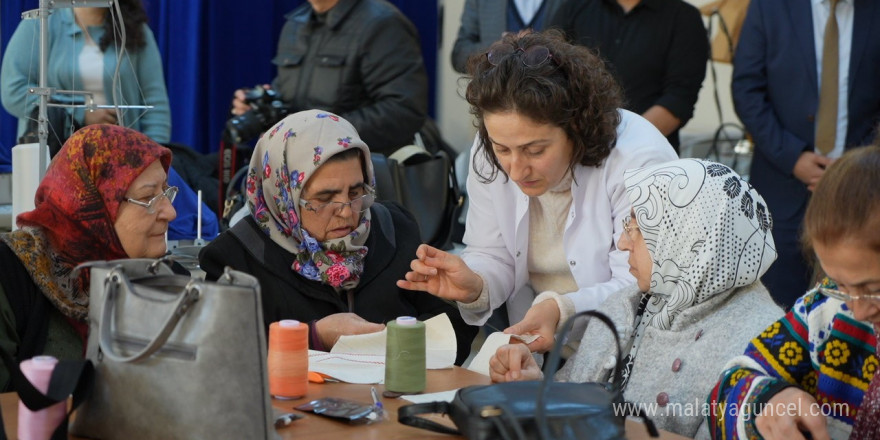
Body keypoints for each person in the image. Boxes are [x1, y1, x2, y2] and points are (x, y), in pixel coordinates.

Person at [397, 30, 677, 353]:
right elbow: (493, 252)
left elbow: (638, 285)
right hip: (537, 347)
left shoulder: (637, 159)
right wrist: (477, 284)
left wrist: (561, 309)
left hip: (628, 353)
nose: (516, 170)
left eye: (535, 150)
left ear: (577, 127)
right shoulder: (487, 149)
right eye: (503, 149)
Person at [488, 159, 782, 438]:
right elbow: (571, 402)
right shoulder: (628, 303)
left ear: (691, 241)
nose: (623, 242)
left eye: (639, 230)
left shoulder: (759, 342)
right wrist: (536, 387)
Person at [199, 110, 477, 364]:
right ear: (284, 195)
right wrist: (314, 336)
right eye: (325, 198)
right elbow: (225, 359)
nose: (346, 213)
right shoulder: (235, 258)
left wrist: (457, 303)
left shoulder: (393, 228)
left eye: (356, 193)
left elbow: (453, 333)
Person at [708, 145, 880, 440]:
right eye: (841, 285)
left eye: (874, 290)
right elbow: (726, 392)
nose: (859, 310)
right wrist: (765, 401)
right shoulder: (826, 310)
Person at [0, 124, 177, 390]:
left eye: (165, 191)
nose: (170, 212)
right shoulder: (11, 275)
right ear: (90, 205)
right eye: (149, 197)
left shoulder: (166, 282)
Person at [731, 0, 880, 308]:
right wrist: (792, 157)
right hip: (782, 182)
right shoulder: (769, 7)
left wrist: (855, 163)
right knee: (775, 303)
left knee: (853, 306)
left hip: (862, 187)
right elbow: (747, 89)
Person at [229, 0, 428, 155]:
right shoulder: (295, 24)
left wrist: (320, 131)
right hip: (301, 173)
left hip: (359, 180)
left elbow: (404, 111)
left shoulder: (382, 23)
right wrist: (263, 105)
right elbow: (293, 101)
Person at [546, 0, 709, 152]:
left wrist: (620, 146)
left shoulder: (684, 18)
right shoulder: (574, 6)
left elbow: (679, 99)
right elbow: (548, 73)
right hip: (574, 150)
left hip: (645, 155)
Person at [1, 1, 171, 144]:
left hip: (120, 158)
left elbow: (155, 106)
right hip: (54, 153)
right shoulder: (40, 22)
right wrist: (80, 113)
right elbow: (13, 92)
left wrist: (155, 158)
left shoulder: (136, 30)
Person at [450, 0, 565, 74]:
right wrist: (498, 50)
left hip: (552, 103)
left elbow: (580, 52)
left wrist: (541, 49)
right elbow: (459, 56)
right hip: (495, 102)